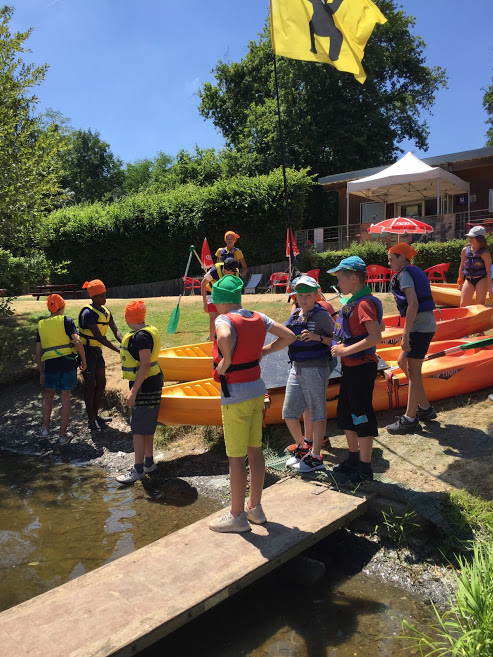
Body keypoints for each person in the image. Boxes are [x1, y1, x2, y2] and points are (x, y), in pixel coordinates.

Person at [208, 276, 295, 533]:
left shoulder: (223, 319)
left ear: (222, 302)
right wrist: (265, 351)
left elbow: (223, 335)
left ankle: (237, 516)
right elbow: (288, 335)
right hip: (258, 390)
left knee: (236, 458)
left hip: (235, 395)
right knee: (255, 450)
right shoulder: (257, 316)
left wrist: (226, 360)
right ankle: (255, 508)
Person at [328, 256, 383, 484]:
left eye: (340, 279)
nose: (338, 284)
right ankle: (352, 458)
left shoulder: (364, 304)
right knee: (346, 414)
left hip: (361, 368)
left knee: (361, 415)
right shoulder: (354, 303)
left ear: (353, 278)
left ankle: (365, 467)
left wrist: (345, 350)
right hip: (350, 368)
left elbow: (375, 336)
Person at [282, 275, 336, 473]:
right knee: (288, 412)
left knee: (316, 411)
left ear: (316, 295)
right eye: (299, 295)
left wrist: (317, 337)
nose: (303, 299)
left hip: (316, 368)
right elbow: (287, 334)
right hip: (296, 367)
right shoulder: (295, 313)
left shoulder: (322, 316)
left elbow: (339, 338)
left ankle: (316, 456)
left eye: (307, 295)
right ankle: (302, 447)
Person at [386, 243, 437, 434]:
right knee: (402, 363)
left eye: (392, 258)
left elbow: (413, 304)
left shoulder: (405, 274)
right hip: (422, 326)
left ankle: (410, 418)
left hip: (420, 328)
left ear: (402, 258)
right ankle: (424, 408)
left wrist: (405, 335)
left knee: (414, 373)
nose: (389, 262)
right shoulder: (409, 272)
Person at [115, 300, 163, 484]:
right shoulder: (147, 331)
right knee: (146, 427)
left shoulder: (141, 337)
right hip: (150, 383)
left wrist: (133, 392)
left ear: (128, 318)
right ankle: (149, 463)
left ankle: (138, 469)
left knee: (138, 429)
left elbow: (144, 365)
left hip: (144, 385)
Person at [35, 294, 87, 445]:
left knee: (48, 394)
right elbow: (77, 341)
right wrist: (83, 360)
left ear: (48, 308)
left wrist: (41, 371)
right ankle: (62, 436)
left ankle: (45, 430)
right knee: (65, 398)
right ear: (62, 307)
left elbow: (38, 353)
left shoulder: (41, 325)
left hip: (50, 365)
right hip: (67, 363)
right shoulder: (67, 321)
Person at [78, 279, 122, 431]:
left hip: (97, 352)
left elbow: (115, 330)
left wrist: (124, 343)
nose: (104, 298)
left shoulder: (105, 311)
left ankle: (96, 416)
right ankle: (91, 421)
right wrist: (117, 349)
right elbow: (98, 336)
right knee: (90, 386)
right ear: (93, 297)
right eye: (101, 296)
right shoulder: (87, 313)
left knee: (101, 383)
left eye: (105, 295)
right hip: (87, 352)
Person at [201, 257, 240, 341]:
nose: (228, 275)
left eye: (231, 273)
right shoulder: (215, 270)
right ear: (224, 269)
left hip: (225, 295)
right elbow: (203, 283)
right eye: (227, 273)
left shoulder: (237, 274)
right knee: (213, 319)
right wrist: (205, 303)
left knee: (228, 318)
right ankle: (211, 343)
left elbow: (236, 291)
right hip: (212, 293)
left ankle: (227, 340)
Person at [458, 225, 492, 307]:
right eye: (470, 236)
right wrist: (460, 282)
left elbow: (489, 272)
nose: (470, 238)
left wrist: (491, 291)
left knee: (479, 304)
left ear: (480, 239)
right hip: (469, 279)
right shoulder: (465, 250)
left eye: (473, 237)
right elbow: (462, 266)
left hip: (481, 279)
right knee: (463, 304)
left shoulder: (485, 253)